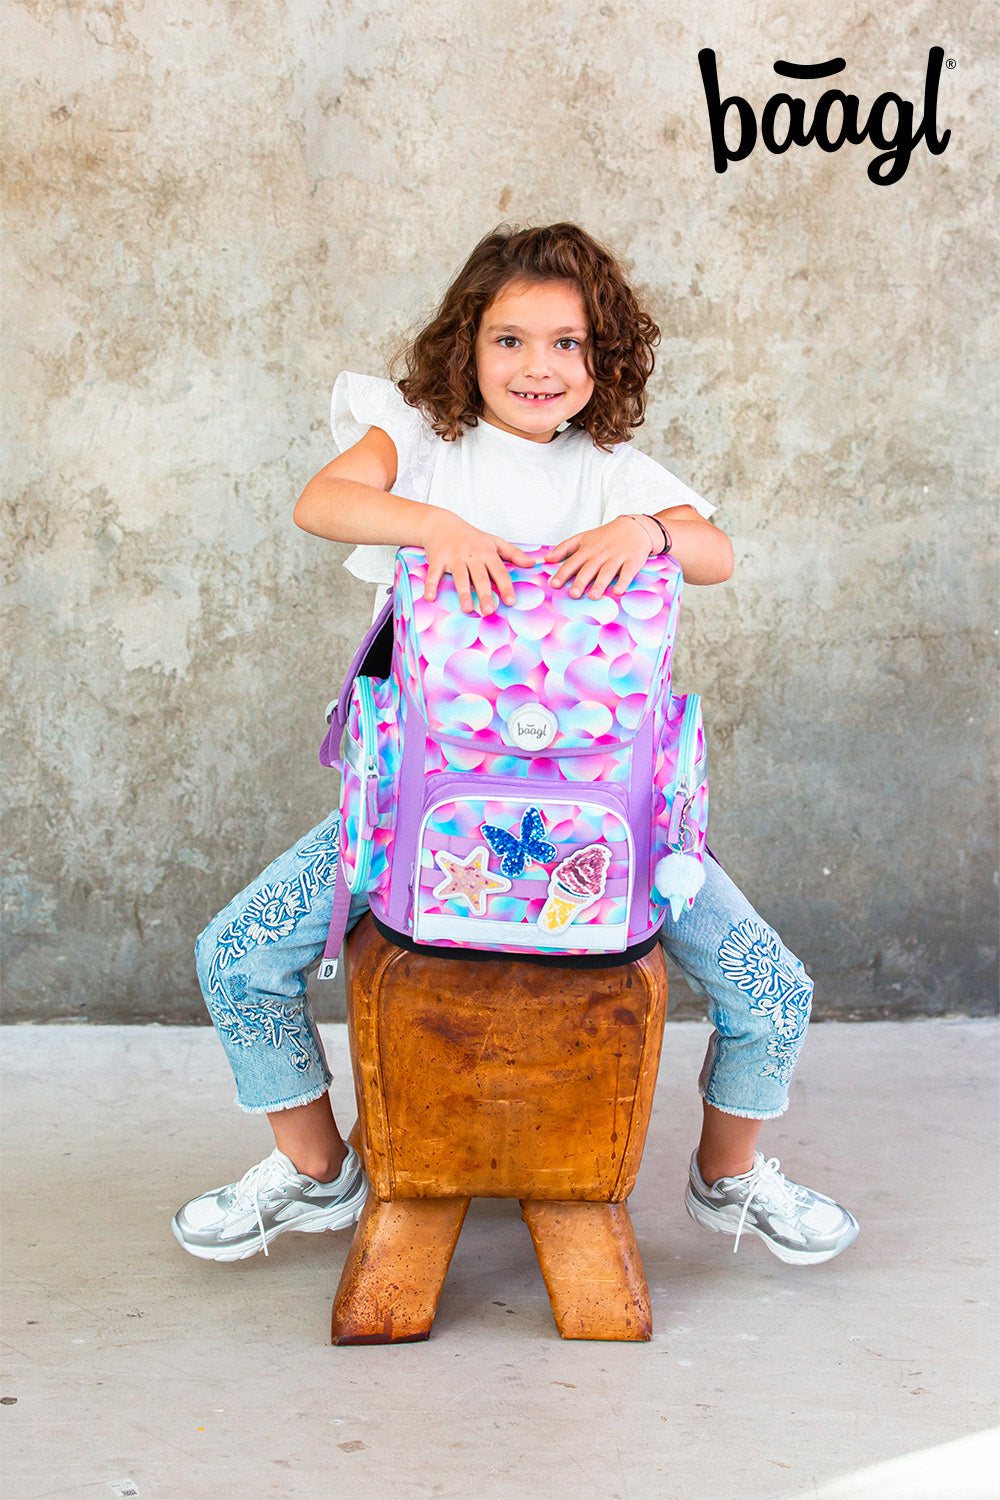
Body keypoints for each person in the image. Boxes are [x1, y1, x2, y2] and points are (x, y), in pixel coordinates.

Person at [173, 223, 859, 1267]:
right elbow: (323, 502)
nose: (538, 366)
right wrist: (430, 525)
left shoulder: (614, 473)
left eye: (567, 343)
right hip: (414, 809)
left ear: (603, 357)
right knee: (237, 953)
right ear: (467, 345)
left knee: (771, 989)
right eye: (509, 340)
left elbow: (713, 553)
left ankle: (729, 1179)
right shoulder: (421, 440)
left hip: (611, 813)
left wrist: (650, 530)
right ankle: (314, 1171)